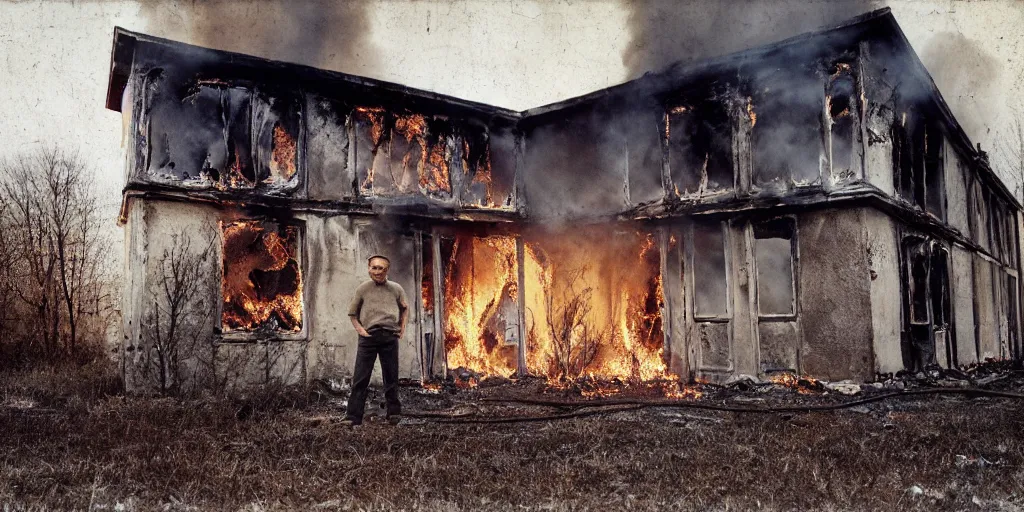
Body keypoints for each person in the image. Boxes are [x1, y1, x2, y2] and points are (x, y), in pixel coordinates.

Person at [342, 255, 409, 426]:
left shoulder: (396, 288)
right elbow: (352, 313)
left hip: (389, 338)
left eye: (381, 268)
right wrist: (361, 331)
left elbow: (404, 308)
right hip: (368, 338)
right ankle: (353, 417)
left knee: (391, 377)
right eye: (374, 268)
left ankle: (394, 414)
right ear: (369, 268)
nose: (377, 272)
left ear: (387, 270)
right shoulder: (362, 289)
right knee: (360, 378)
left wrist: (402, 328)